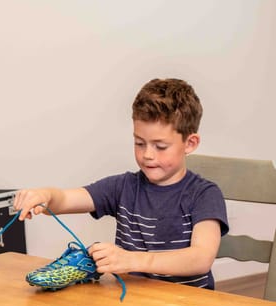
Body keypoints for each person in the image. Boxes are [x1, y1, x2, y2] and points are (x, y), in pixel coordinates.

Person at [14, 78, 228, 290]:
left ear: (190, 143)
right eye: (139, 143)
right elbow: (65, 200)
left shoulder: (204, 194)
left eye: (160, 146)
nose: (147, 155)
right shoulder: (123, 187)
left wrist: (131, 260)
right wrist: (44, 196)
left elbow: (201, 258)